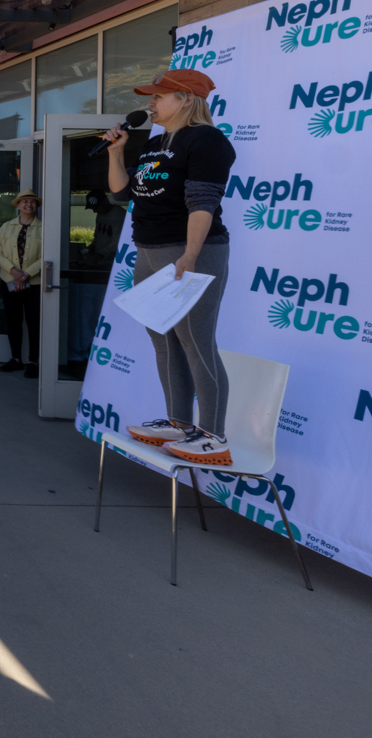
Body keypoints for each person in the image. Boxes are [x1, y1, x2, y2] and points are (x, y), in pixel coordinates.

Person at [105, 69, 238, 466]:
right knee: (163, 340)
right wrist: (116, 152)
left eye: (157, 96)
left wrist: (191, 256)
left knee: (196, 342)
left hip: (190, 249)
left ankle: (214, 435)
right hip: (148, 249)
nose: (149, 103)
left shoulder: (207, 140)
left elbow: (203, 201)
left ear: (183, 98)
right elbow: (122, 193)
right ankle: (180, 424)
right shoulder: (155, 143)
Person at [0, 191, 42, 379]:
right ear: (18, 205)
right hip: (9, 281)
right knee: (13, 321)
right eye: (24, 202)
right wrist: (14, 272)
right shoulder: (6, 227)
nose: (28, 205)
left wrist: (26, 274)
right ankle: (15, 359)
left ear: (36, 206)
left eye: (32, 202)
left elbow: (46, 255)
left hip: (33, 283)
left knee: (34, 322)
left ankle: (33, 361)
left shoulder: (44, 228)